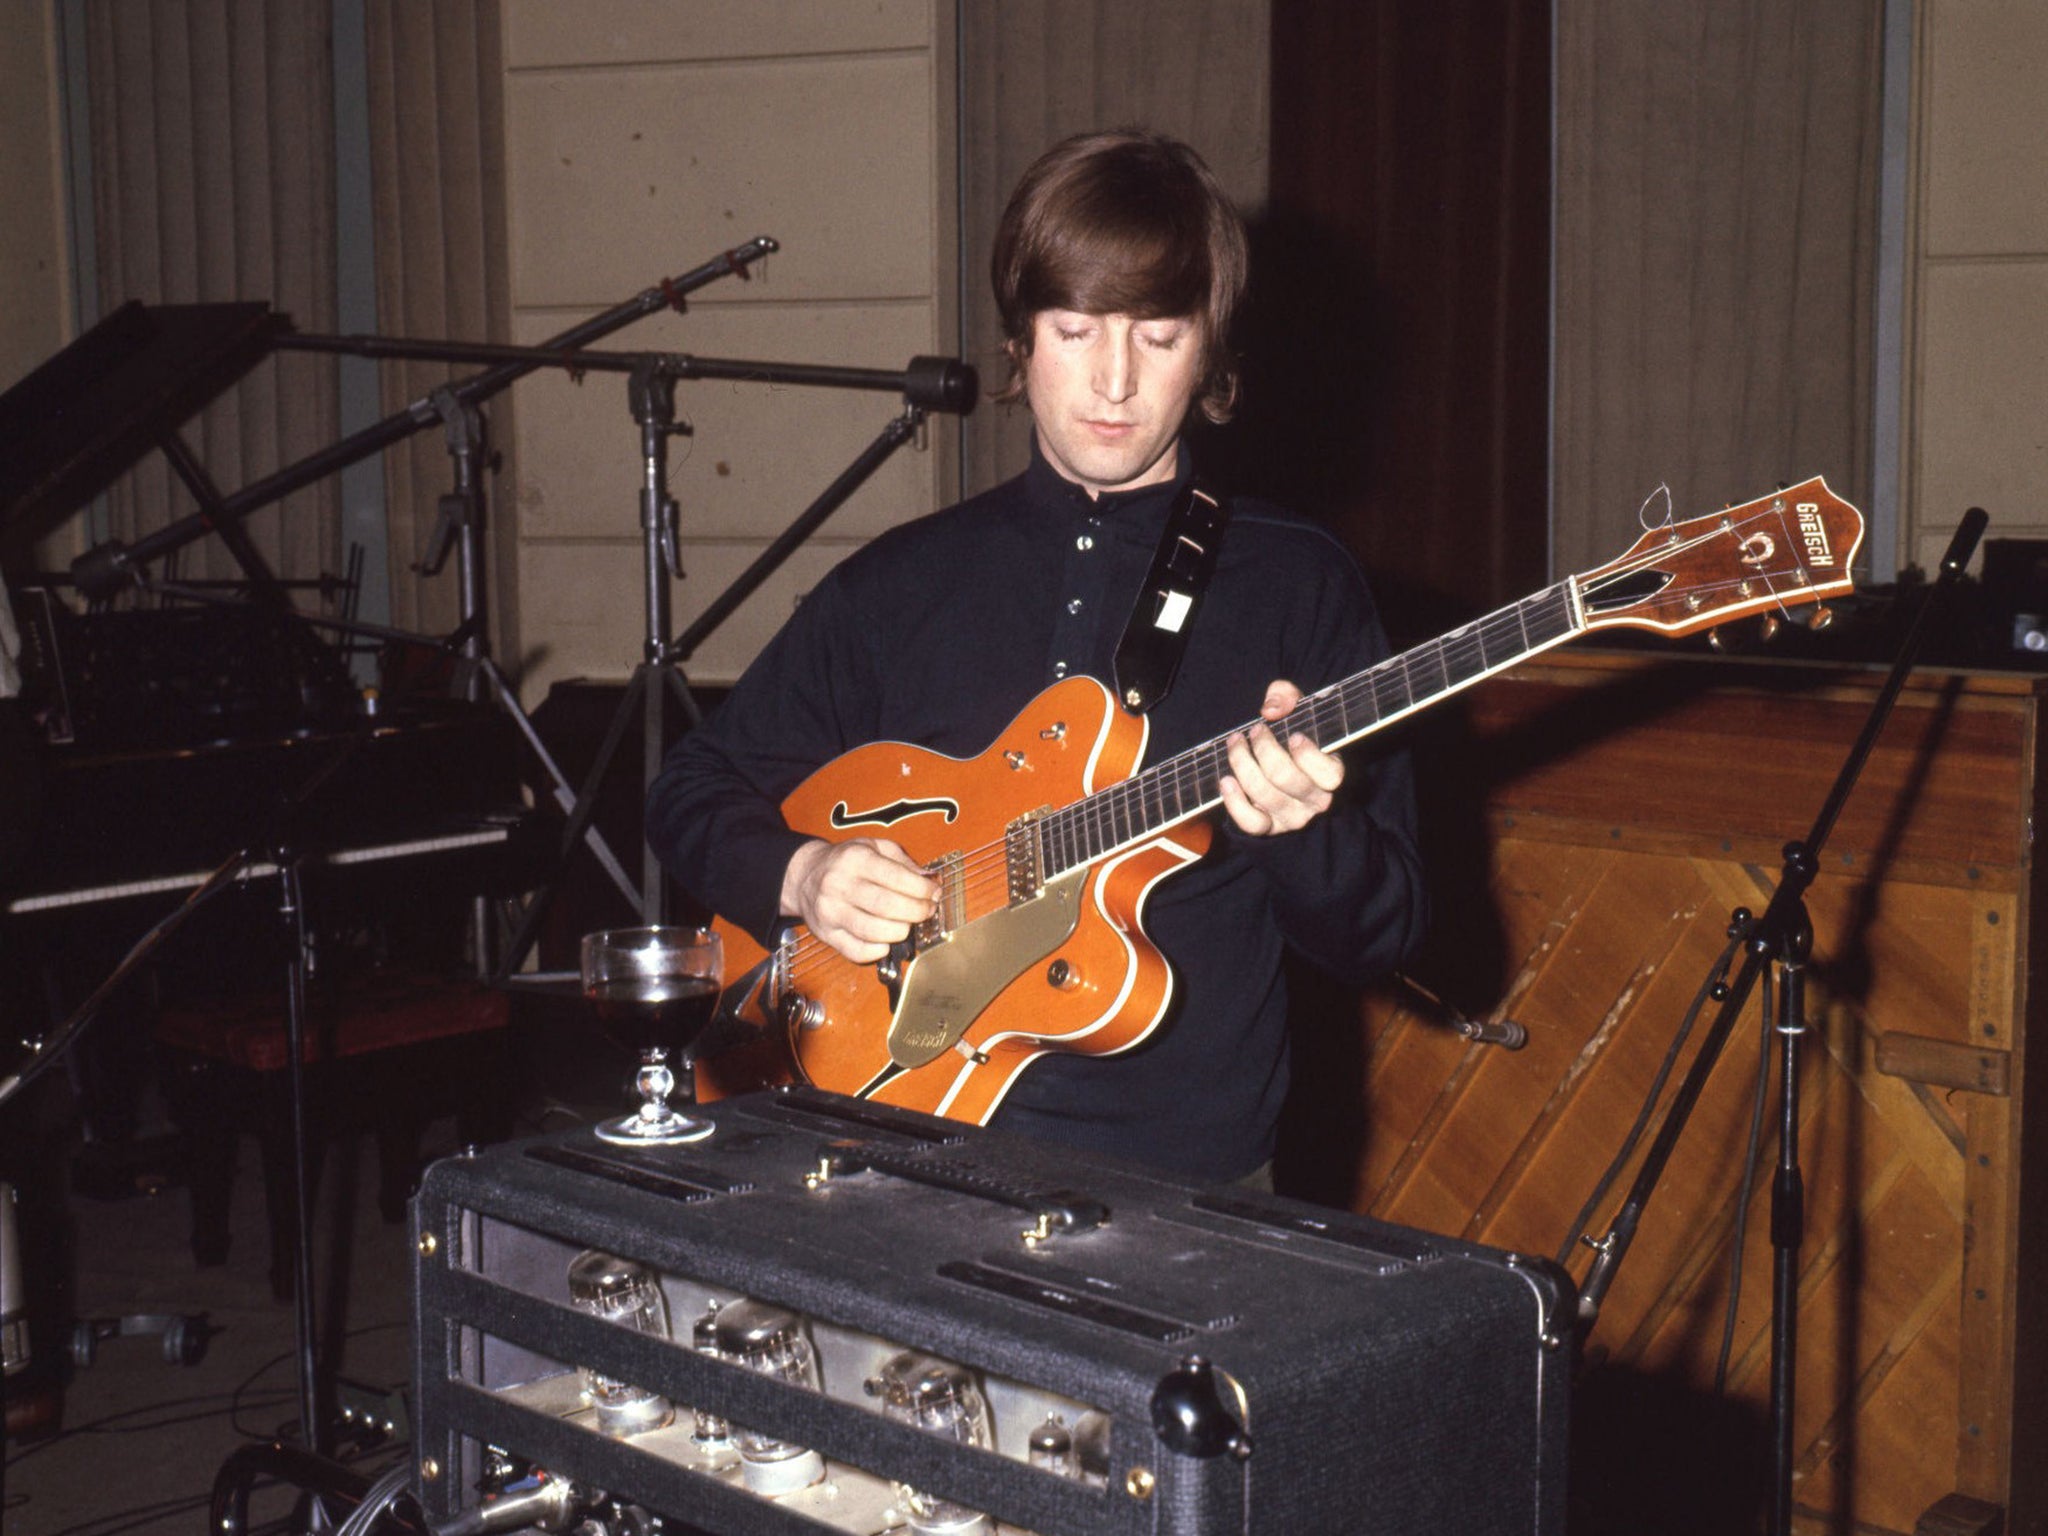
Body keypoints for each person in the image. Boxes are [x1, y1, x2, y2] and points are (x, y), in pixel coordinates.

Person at [646, 129, 1426, 1184]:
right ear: (1019, 344)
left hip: (1178, 1187)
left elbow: (1381, 932)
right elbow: (690, 787)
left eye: (1156, 337)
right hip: (887, 1158)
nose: (1112, 382)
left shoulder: (1299, 584)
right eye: (1074, 330)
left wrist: (1301, 831)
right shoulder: (901, 583)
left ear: (1210, 353)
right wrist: (803, 872)